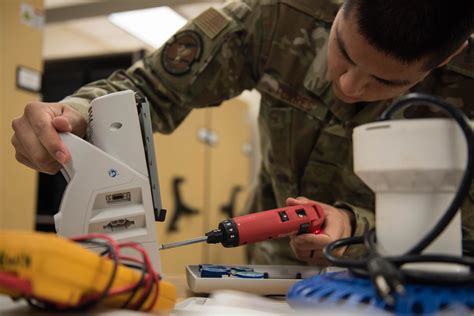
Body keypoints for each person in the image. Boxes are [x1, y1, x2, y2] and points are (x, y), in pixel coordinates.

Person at [11, 0, 474, 267]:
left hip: (404, 280)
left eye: (386, 82)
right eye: (342, 51)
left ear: (451, 58)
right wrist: (71, 116)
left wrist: (358, 226)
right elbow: (147, 90)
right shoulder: (279, 15)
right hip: (269, 274)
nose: (349, 86)